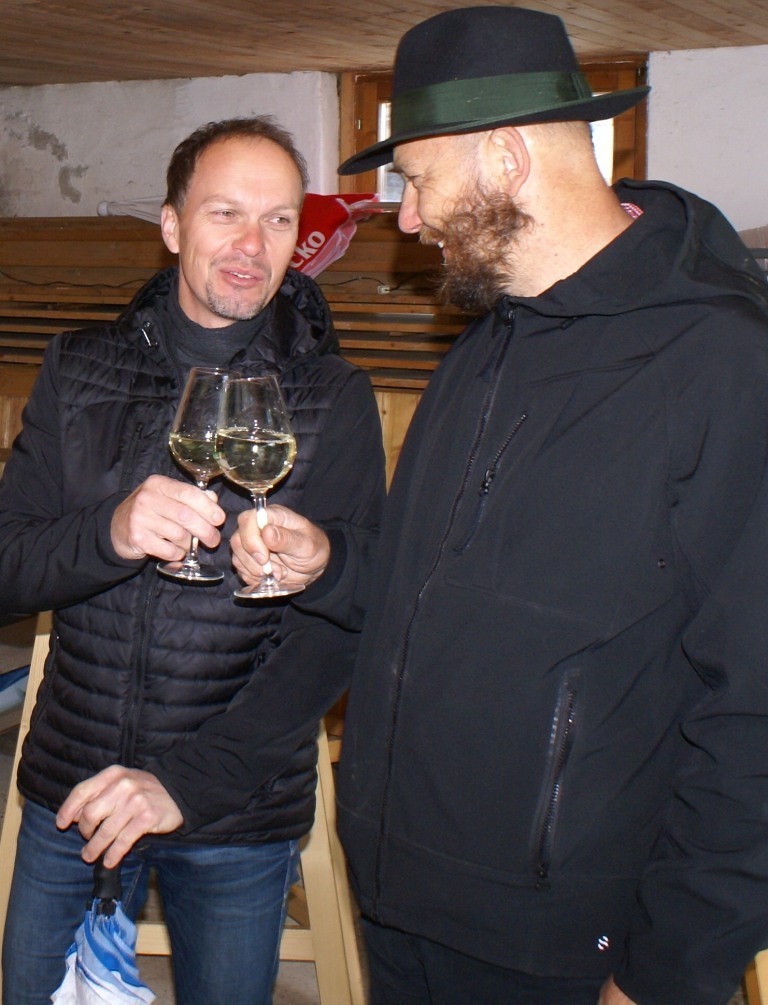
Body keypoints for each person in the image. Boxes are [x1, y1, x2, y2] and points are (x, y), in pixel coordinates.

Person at [226, 8, 768, 1005]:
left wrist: (665, 972)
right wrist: (333, 565)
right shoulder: (479, 352)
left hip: (562, 941)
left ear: (507, 156)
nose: (412, 221)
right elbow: (433, 590)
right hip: (402, 897)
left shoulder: (723, 364)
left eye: (419, 181)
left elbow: (753, 713)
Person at [0, 115, 384, 1005]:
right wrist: (109, 533)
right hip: (73, 792)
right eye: (225, 213)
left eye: (278, 220)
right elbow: (8, 567)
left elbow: (346, 627)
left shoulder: (333, 395)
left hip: (237, 804)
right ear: (172, 226)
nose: (252, 245)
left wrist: (189, 779)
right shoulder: (77, 367)